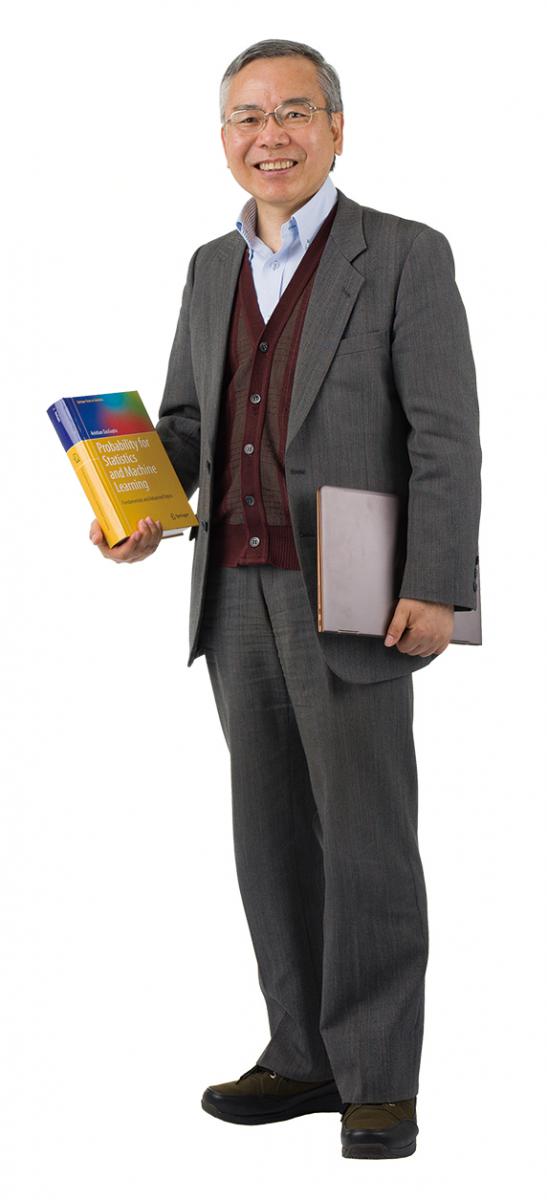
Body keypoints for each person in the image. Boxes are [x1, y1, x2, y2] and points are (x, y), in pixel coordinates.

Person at [90, 38, 482, 1160]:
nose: (271, 136)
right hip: (233, 592)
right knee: (268, 838)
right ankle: (302, 1054)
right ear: (224, 139)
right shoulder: (208, 266)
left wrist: (436, 586)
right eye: (247, 118)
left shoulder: (403, 253)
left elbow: (446, 436)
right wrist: (137, 507)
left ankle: (378, 1082)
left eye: (294, 113)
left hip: (355, 589)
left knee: (366, 841)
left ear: (336, 129)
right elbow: (185, 426)